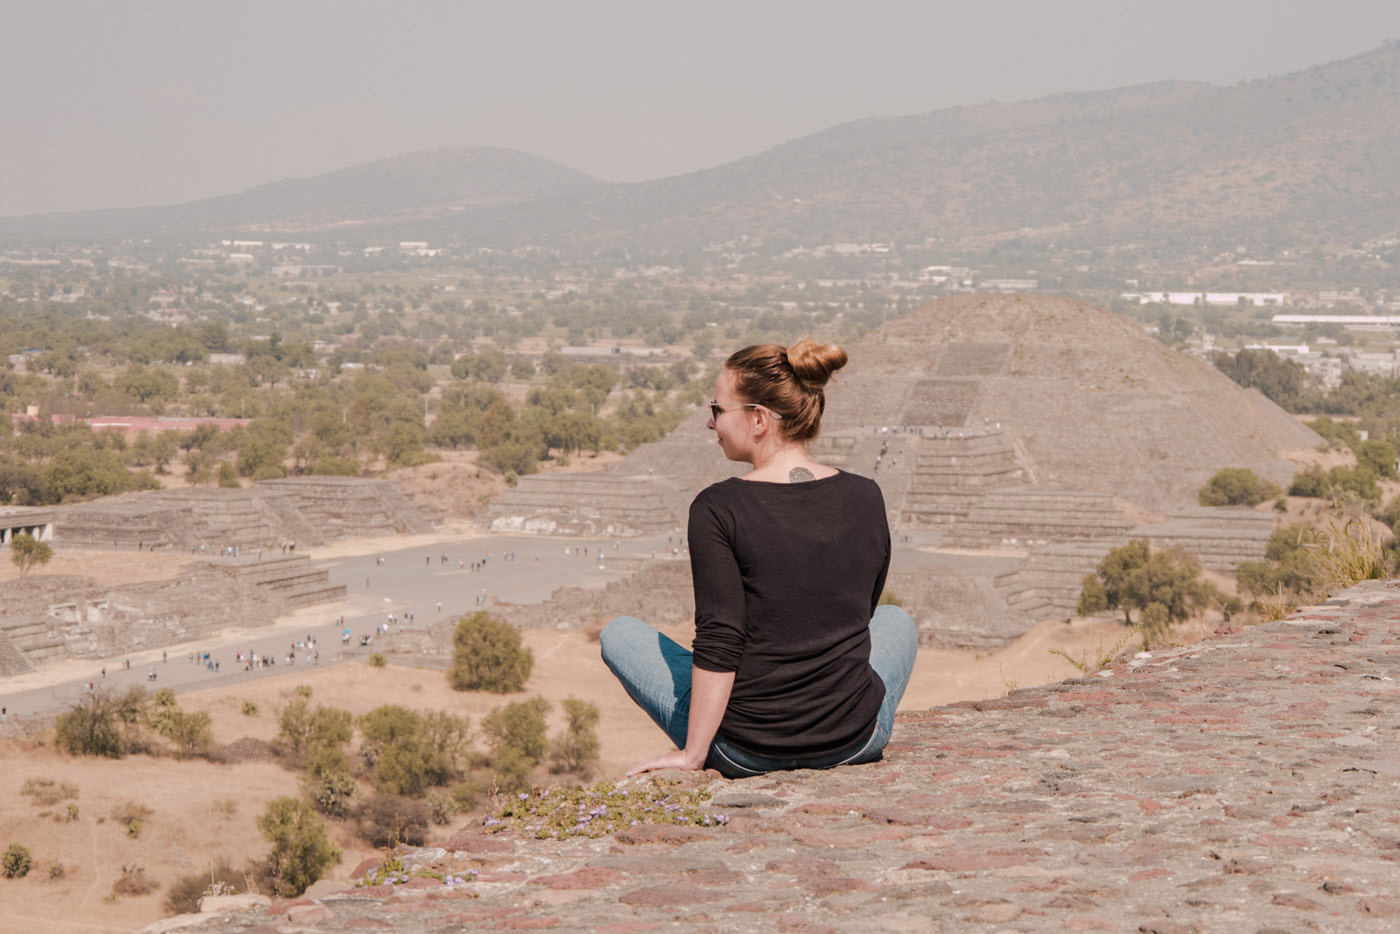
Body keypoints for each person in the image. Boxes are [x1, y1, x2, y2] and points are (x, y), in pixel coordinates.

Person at [601, 339, 916, 779]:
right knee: (895, 620)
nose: (711, 424)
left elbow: (721, 639)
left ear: (760, 418)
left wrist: (694, 755)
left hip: (748, 750)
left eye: (717, 410)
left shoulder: (718, 508)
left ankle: (716, 740)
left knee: (618, 633)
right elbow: (859, 613)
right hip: (856, 739)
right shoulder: (866, 494)